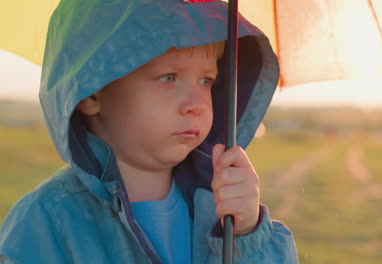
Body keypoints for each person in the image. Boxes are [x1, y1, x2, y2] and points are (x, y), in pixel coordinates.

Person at [0, 0, 298, 263]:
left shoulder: (222, 209)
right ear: (92, 94)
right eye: (169, 77)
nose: (195, 104)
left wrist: (247, 236)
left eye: (206, 81)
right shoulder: (46, 223)